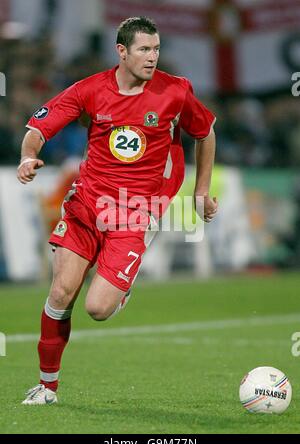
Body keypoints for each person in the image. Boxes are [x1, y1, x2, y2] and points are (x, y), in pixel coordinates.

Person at [17, 16, 218, 405]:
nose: (152, 57)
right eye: (144, 49)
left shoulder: (175, 92)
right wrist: (28, 158)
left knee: (97, 308)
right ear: (122, 52)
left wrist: (201, 190)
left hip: (136, 213)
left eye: (156, 49)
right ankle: (47, 387)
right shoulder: (91, 90)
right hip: (87, 205)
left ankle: (120, 287)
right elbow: (39, 129)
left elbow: (205, 132)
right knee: (60, 293)